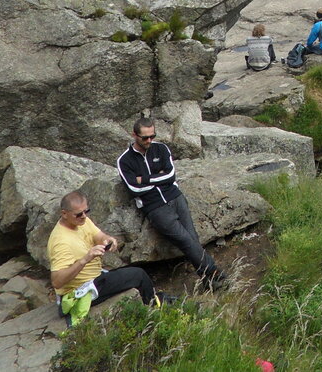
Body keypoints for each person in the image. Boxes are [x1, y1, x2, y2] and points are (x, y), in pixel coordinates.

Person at [117, 119, 224, 287]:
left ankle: (208, 282)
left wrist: (144, 179)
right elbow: (134, 189)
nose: (149, 141)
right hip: (155, 207)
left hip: (175, 197)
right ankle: (214, 273)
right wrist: (158, 178)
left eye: (152, 136)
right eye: (145, 138)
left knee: (192, 238)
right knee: (184, 240)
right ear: (134, 135)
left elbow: (170, 176)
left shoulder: (161, 148)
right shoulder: (124, 161)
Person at [48, 190, 159, 324]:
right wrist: (85, 259)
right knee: (138, 275)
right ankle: (155, 309)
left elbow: (98, 236)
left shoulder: (81, 222)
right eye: (78, 214)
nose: (83, 216)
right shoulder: (60, 241)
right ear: (64, 214)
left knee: (129, 273)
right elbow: (57, 281)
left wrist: (108, 240)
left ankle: (152, 302)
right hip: (81, 289)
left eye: (86, 211)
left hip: (96, 276)